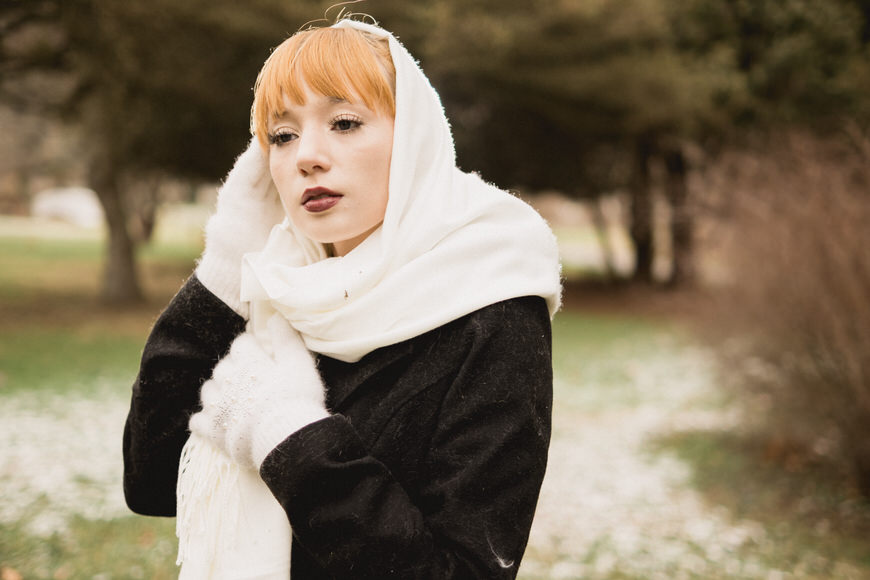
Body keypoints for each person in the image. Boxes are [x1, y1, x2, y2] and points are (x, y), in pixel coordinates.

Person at [123, 16, 561, 580]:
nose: (307, 155)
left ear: (412, 143)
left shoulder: (493, 308)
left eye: (345, 122)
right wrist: (226, 266)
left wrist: (292, 437)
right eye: (282, 136)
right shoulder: (276, 290)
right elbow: (152, 479)